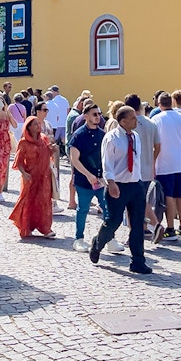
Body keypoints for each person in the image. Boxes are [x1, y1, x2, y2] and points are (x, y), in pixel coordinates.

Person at [89, 105, 152, 274]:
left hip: (135, 185)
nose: (136, 120)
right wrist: (111, 183)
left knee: (138, 224)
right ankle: (97, 244)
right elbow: (107, 163)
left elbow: (136, 159)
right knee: (113, 221)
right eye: (132, 118)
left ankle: (138, 261)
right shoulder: (112, 138)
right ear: (123, 121)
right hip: (117, 185)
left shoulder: (136, 136)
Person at [151, 92, 181, 241]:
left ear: (159, 104)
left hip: (164, 162)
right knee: (180, 195)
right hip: (180, 162)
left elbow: (154, 143)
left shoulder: (157, 119)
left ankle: (170, 228)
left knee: (168, 196)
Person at [70, 103, 112, 252]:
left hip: (101, 180)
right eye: (94, 114)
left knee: (107, 209)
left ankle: (109, 239)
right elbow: (75, 159)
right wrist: (88, 175)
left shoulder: (103, 134)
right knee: (83, 209)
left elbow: (107, 157)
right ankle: (79, 238)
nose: (98, 116)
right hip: (84, 180)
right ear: (86, 116)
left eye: (99, 114)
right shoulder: (78, 135)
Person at [123, 93, 162, 243]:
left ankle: (142, 229)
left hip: (133, 169)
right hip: (147, 168)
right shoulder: (151, 123)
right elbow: (157, 146)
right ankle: (144, 228)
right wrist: (152, 160)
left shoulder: (128, 124)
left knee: (132, 203)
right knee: (143, 199)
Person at [9, 117, 56, 238]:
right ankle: (26, 226)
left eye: (38, 124)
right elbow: (18, 161)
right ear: (28, 127)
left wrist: (52, 150)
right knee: (28, 201)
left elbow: (48, 154)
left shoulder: (44, 139)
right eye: (35, 124)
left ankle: (46, 228)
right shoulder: (24, 142)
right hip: (30, 176)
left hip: (44, 176)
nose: (38, 126)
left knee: (44, 201)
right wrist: (24, 173)